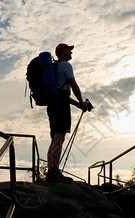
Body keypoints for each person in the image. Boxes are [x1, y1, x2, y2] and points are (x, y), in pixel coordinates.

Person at [46, 43, 87, 183]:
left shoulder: (55, 68)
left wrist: (77, 105)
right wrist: (82, 102)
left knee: (55, 138)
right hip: (60, 106)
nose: (71, 53)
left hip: (53, 104)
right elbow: (73, 86)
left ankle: (51, 170)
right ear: (63, 51)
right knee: (60, 137)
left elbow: (63, 94)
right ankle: (54, 172)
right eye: (69, 50)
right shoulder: (65, 65)